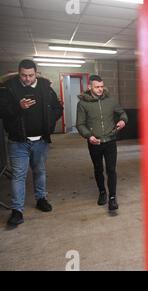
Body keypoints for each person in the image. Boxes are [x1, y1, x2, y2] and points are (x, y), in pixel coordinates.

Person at [0, 59, 63, 226]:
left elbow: (58, 108)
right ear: (18, 73)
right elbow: (3, 112)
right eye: (23, 75)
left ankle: (41, 199)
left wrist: (49, 124)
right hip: (18, 141)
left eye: (30, 75)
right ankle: (17, 211)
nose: (27, 79)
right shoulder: (9, 89)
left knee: (39, 171)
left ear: (36, 73)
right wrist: (18, 107)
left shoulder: (45, 87)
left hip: (40, 141)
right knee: (18, 176)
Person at [76, 75, 128, 211]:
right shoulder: (83, 104)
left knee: (111, 170)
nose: (100, 89)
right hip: (95, 142)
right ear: (89, 87)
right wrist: (88, 136)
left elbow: (123, 113)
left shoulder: (110, 101)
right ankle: (102, 193)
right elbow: (80, 124)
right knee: (98, 169)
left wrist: (123, 120)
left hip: (110, 141)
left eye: (101, 86)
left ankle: (112, 198)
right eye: (96, 87)